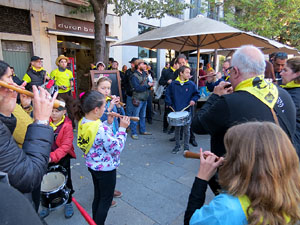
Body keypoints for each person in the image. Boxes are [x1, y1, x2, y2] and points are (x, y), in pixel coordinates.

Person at [191, 45, 296, 194]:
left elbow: (197, 125)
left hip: (242, 184)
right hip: (278, 179)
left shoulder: (229, 103)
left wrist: (215, 96)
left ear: (235, 71)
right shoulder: (283, 94)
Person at [184, 122, 300, 225]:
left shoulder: (226, 209)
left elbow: (190, 221)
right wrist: (212, 174)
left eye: (229, 152)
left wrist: (202, 179)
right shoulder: (287, 194)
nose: (225, 157)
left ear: (241, 164)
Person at [0, 60, 56, 204]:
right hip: (21, 181)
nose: (15, 84)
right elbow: (29, 177)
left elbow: (7, 134)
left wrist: (20, 109)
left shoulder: (8, 106)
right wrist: (42, 120)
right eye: (10, 78)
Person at [76, 91, 130, 225]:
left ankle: (93, 221)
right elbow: (116, 148)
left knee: (98, 196)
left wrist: (109, 123)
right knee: (105, 201)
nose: (106, 109)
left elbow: (98, 138)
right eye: (104, 106)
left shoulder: (84, 121)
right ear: (96, 110)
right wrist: (122, 129)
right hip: (106, 169)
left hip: (93, 165)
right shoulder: (100, 128)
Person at [39, 98, 76, 219]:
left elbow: (66, 146)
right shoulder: (45, 122)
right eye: (52, 111)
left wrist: (52, 157)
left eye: (57, 111)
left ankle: (69, 202)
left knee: (66, 181)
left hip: (62, 158)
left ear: (64, 111)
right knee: (44, 181)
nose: (53, 114)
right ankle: (45, 205)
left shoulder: (67, 126)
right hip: (46, 158)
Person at [96, 77, 125, 207]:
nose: (106, 91)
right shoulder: (95, 101)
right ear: (96, 88)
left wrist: (118, 105)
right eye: (103, 88)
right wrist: (110, 107)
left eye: (108, 88)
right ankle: (104, 196)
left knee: (112, 164)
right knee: (104, 168)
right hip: (101, 137)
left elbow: (121, 115)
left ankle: (110, 190)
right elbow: (100, 118)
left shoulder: (108, 100)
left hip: (112, 134)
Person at [165, 66, 200, 154]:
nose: (189, 74)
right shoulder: (173, 84)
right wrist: (168, 102)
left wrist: (193, 100)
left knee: (187, 130)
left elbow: (196, 94)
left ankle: (186, 147)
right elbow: (167, 94)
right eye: (187, 72)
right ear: (181, 73)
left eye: (189, 72)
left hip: (187, 111)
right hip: (176, 110)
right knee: (177, 130)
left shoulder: (191, 84)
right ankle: (177, 146)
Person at [173, 54, 198, 147]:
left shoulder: (193, 71)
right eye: (179, 63)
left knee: (189, 122)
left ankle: (192, 138)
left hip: (189, 101)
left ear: (186, 62)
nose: (181, 64)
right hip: (179, 101)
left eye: (183, 62)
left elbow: (193, 84)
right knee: (178, 121)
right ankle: (178, 138)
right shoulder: (177, 72)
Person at [280, 57, 300, 156]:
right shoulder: (290, 90)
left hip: (293, 144)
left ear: (297, 73)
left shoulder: (295, 95)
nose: (280, 73)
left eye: (285, 70)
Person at [130, 59, 153, 140]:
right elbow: (137, 88)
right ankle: (134, 133)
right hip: (138, 99)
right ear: (138, 65)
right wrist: (148, 85)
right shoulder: (134, 76)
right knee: (135, 116)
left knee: (142, 116)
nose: (144, 66)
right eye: (143, 64)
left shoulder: (144, 73)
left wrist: (149, 84)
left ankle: (142, 130)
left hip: (144, 98)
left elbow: (146, 84)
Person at [50, 55, 76, 128]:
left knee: (71, 110)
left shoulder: (69, 72)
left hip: (68, 93)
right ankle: (62, 126)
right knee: (61, 111)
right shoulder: (54, 72)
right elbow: (52, 84)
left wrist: (71, 85)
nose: (64, 63)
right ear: (58, 63)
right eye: (62, 62)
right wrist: (59, 86)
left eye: (65, 62)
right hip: (59, 95)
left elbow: (71, 81)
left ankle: (72, 126)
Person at [159, 58, 179, 133]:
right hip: (169, 94)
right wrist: (167, 81)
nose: (180, 65)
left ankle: (173, 128)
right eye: (178, 64)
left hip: (177, 94)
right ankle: (165, 127)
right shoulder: (166, 71)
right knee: (167, 111)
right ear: (175, 64)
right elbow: (160, 81)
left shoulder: (180, 72)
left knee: (175, 111)